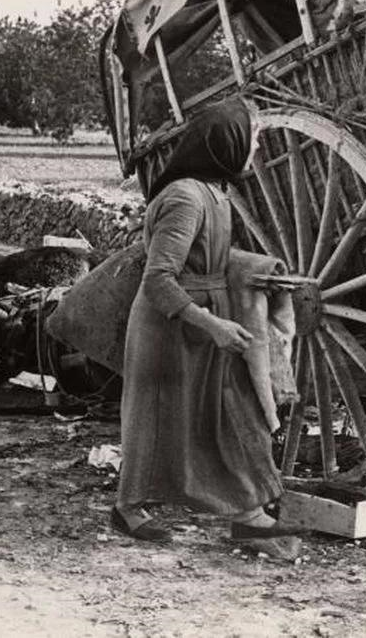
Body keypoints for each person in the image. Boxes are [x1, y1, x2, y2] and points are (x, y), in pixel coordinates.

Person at [112, 97, 299, 543]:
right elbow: (158, 279)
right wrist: (212, 325)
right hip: (169, 325)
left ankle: (248, 513)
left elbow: (211, 258)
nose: (255, 147)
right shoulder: (185, 198)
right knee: (153, 419)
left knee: (230, 412)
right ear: (227, 142)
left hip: (204, 317)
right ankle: (127, 508)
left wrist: (257, 279)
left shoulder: (215, 193)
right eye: (252, 137)